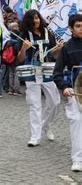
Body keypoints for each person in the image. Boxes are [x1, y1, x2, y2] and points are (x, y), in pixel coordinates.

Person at [16, 9, 62, 147]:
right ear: (28, 21)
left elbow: (53, 55)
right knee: (34, 105)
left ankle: (45, 125)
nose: (36, 20)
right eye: (33, 18)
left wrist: (58, 49)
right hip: (32, 72)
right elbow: (20, 58)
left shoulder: (48, 33)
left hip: (47, 71)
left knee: (54, 102)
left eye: (37, 18)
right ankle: (35, 136)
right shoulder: (23, 35)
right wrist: (24, 48)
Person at [53, 14, 82, 171]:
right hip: (75, 92)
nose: (81, 28)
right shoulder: (67, 48)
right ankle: (77, 159)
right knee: (76, 124)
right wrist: (64, 87)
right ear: (71, 28)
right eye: (78, 26)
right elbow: (57, 73)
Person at [2, 22, 21, 95]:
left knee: (10, 74)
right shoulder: (18, 41)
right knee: (16, 74)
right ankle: (16, 90)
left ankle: (10, 89)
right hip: (16, 59)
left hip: (9, 59)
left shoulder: (8, 41)